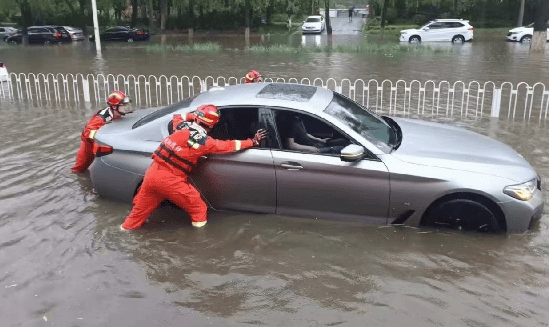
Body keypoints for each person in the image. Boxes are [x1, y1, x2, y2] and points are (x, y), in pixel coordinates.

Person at [120, 104, 268, 230]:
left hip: (151, 174)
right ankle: (199, 240)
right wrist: (253, 142)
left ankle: (124, 231)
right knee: (198, 208)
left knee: (136, 216)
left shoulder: (180, 127)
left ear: (197, 118)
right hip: (171, 181)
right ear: (212, 125)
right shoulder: (206, 143)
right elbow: (229, 146)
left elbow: (177, 116)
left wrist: (194, 116)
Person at [71, 90, 133, 173]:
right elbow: (88, 134)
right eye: (123, 105)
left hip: (103, 141)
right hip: (88, 143)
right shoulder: (100, 119)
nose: (126, 107)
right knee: (80, 168)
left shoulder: (119, 113)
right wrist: (104, 137)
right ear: (114, 107)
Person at [283, 112, 348, 154]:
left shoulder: (297, 118)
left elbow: (305, 134)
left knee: (343, 141)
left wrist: (319, 140)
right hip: (310, 150)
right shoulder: (291, 123)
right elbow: (290, 145)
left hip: (315, 144)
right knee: (341, 149)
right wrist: (310, 149)